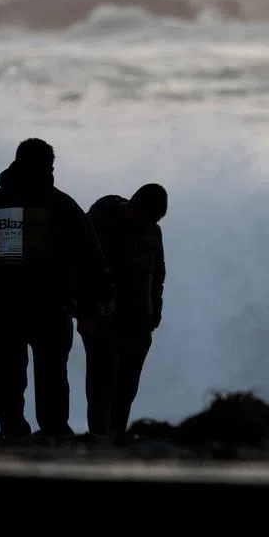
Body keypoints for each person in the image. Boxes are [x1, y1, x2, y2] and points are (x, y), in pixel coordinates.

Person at [0, 138, 114, 439]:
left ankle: (15, 429)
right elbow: (90, 255)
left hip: (10, 305)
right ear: (48, 167)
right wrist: (101, 296)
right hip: (48, 306)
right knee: (49, 373)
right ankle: (50, 429)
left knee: (10, 375)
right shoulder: (61, 204)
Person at [80, 183, 167, 437]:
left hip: (139, 321)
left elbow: (158, 273)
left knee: (126, 388)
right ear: (133, 206)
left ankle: (115, 436)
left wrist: (155, 310)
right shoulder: (97, 224)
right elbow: (79, 272)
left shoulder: (153, 231)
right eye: (149, 216)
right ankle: (100, 437)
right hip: (102, 319)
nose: (150, 223)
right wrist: (85, 313)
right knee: (101, 386)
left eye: (156, 219)